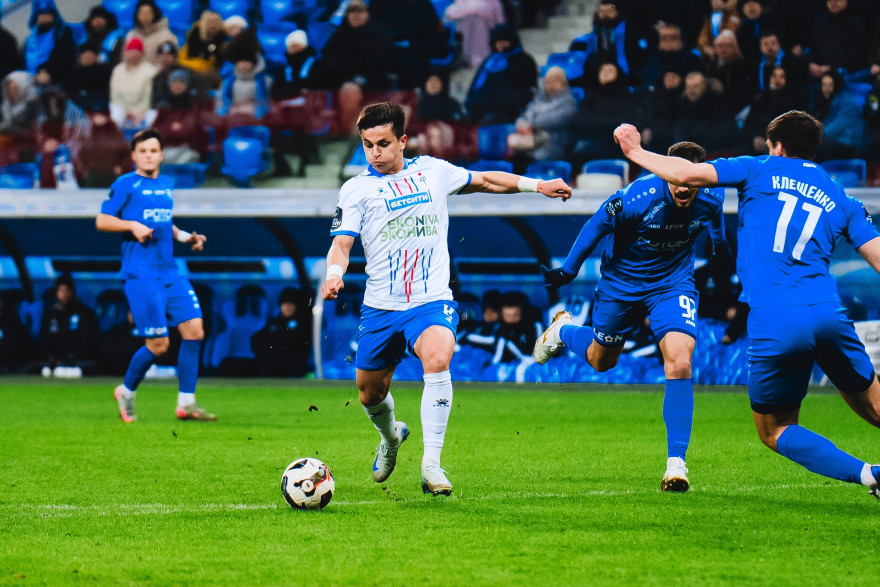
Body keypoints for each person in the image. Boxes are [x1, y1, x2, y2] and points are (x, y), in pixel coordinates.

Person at [612, 110, 880, 500]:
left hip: (776, 319)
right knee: (875, 406)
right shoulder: (842, 195)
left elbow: (686, 174)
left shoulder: (757, 168)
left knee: (775, 428)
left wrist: (635, 151)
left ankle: (869, 475)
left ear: (778, 146)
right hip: (828, 314)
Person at [322, 101, 571, 495]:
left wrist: (536, 185)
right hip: (381, 306)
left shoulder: (432, 171)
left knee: (438, 357)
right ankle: (391, 437)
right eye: (368, 145)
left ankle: (432, 465)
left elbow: (485, 180)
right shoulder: (356, 189)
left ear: (402, 141)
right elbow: (341, 245)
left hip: (430, 299)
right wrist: (334, 275)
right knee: (370, 394)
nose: (375, 153)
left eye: (383, 143)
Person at [534, 141, 729, 493]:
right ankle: (563, 331)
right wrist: (569, 269)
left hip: (672, 284)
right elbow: (597, 224)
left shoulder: (712, 195)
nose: (684, 187)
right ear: (665, 173)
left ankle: (676, 463)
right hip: (621, 285)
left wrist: (720, 247)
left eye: (691, 180)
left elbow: (715, 219)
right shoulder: (638, 197)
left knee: (680, 362)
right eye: (677, 178)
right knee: (601, 360)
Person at [96, 129, 214, 423]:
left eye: (153, 150)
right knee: (159, 345)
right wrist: (131, 226)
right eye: (143, 151)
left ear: (161, 155)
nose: (148, 155)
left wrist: (186, 237)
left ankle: (186, 403)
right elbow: (102, 220)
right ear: (134, 156)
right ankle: (126, 391)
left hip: (170, 272)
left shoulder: (166, 184)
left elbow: (164, 223)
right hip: (141, 276)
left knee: (195, 331)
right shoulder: (125, 184)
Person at [39, 273, 99, 374]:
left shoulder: (85, 313)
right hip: (55, 362)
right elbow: (44, 340)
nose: (64, 294)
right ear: (56, 292)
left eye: (67, 290)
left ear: (73, 291)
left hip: (79, 361)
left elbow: (88, 341)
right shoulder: (50, 314)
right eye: (61, 290)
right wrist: (51, 357)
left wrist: (71, 357)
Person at [251, 287, 312, 377]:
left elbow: (296, 344)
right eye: (284, 304)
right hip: (271, 369)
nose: (287, 308)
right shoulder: (273, 323)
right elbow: (257, 339)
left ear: (297, 306)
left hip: (294, 370)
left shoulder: (304, 324)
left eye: (290, 304)